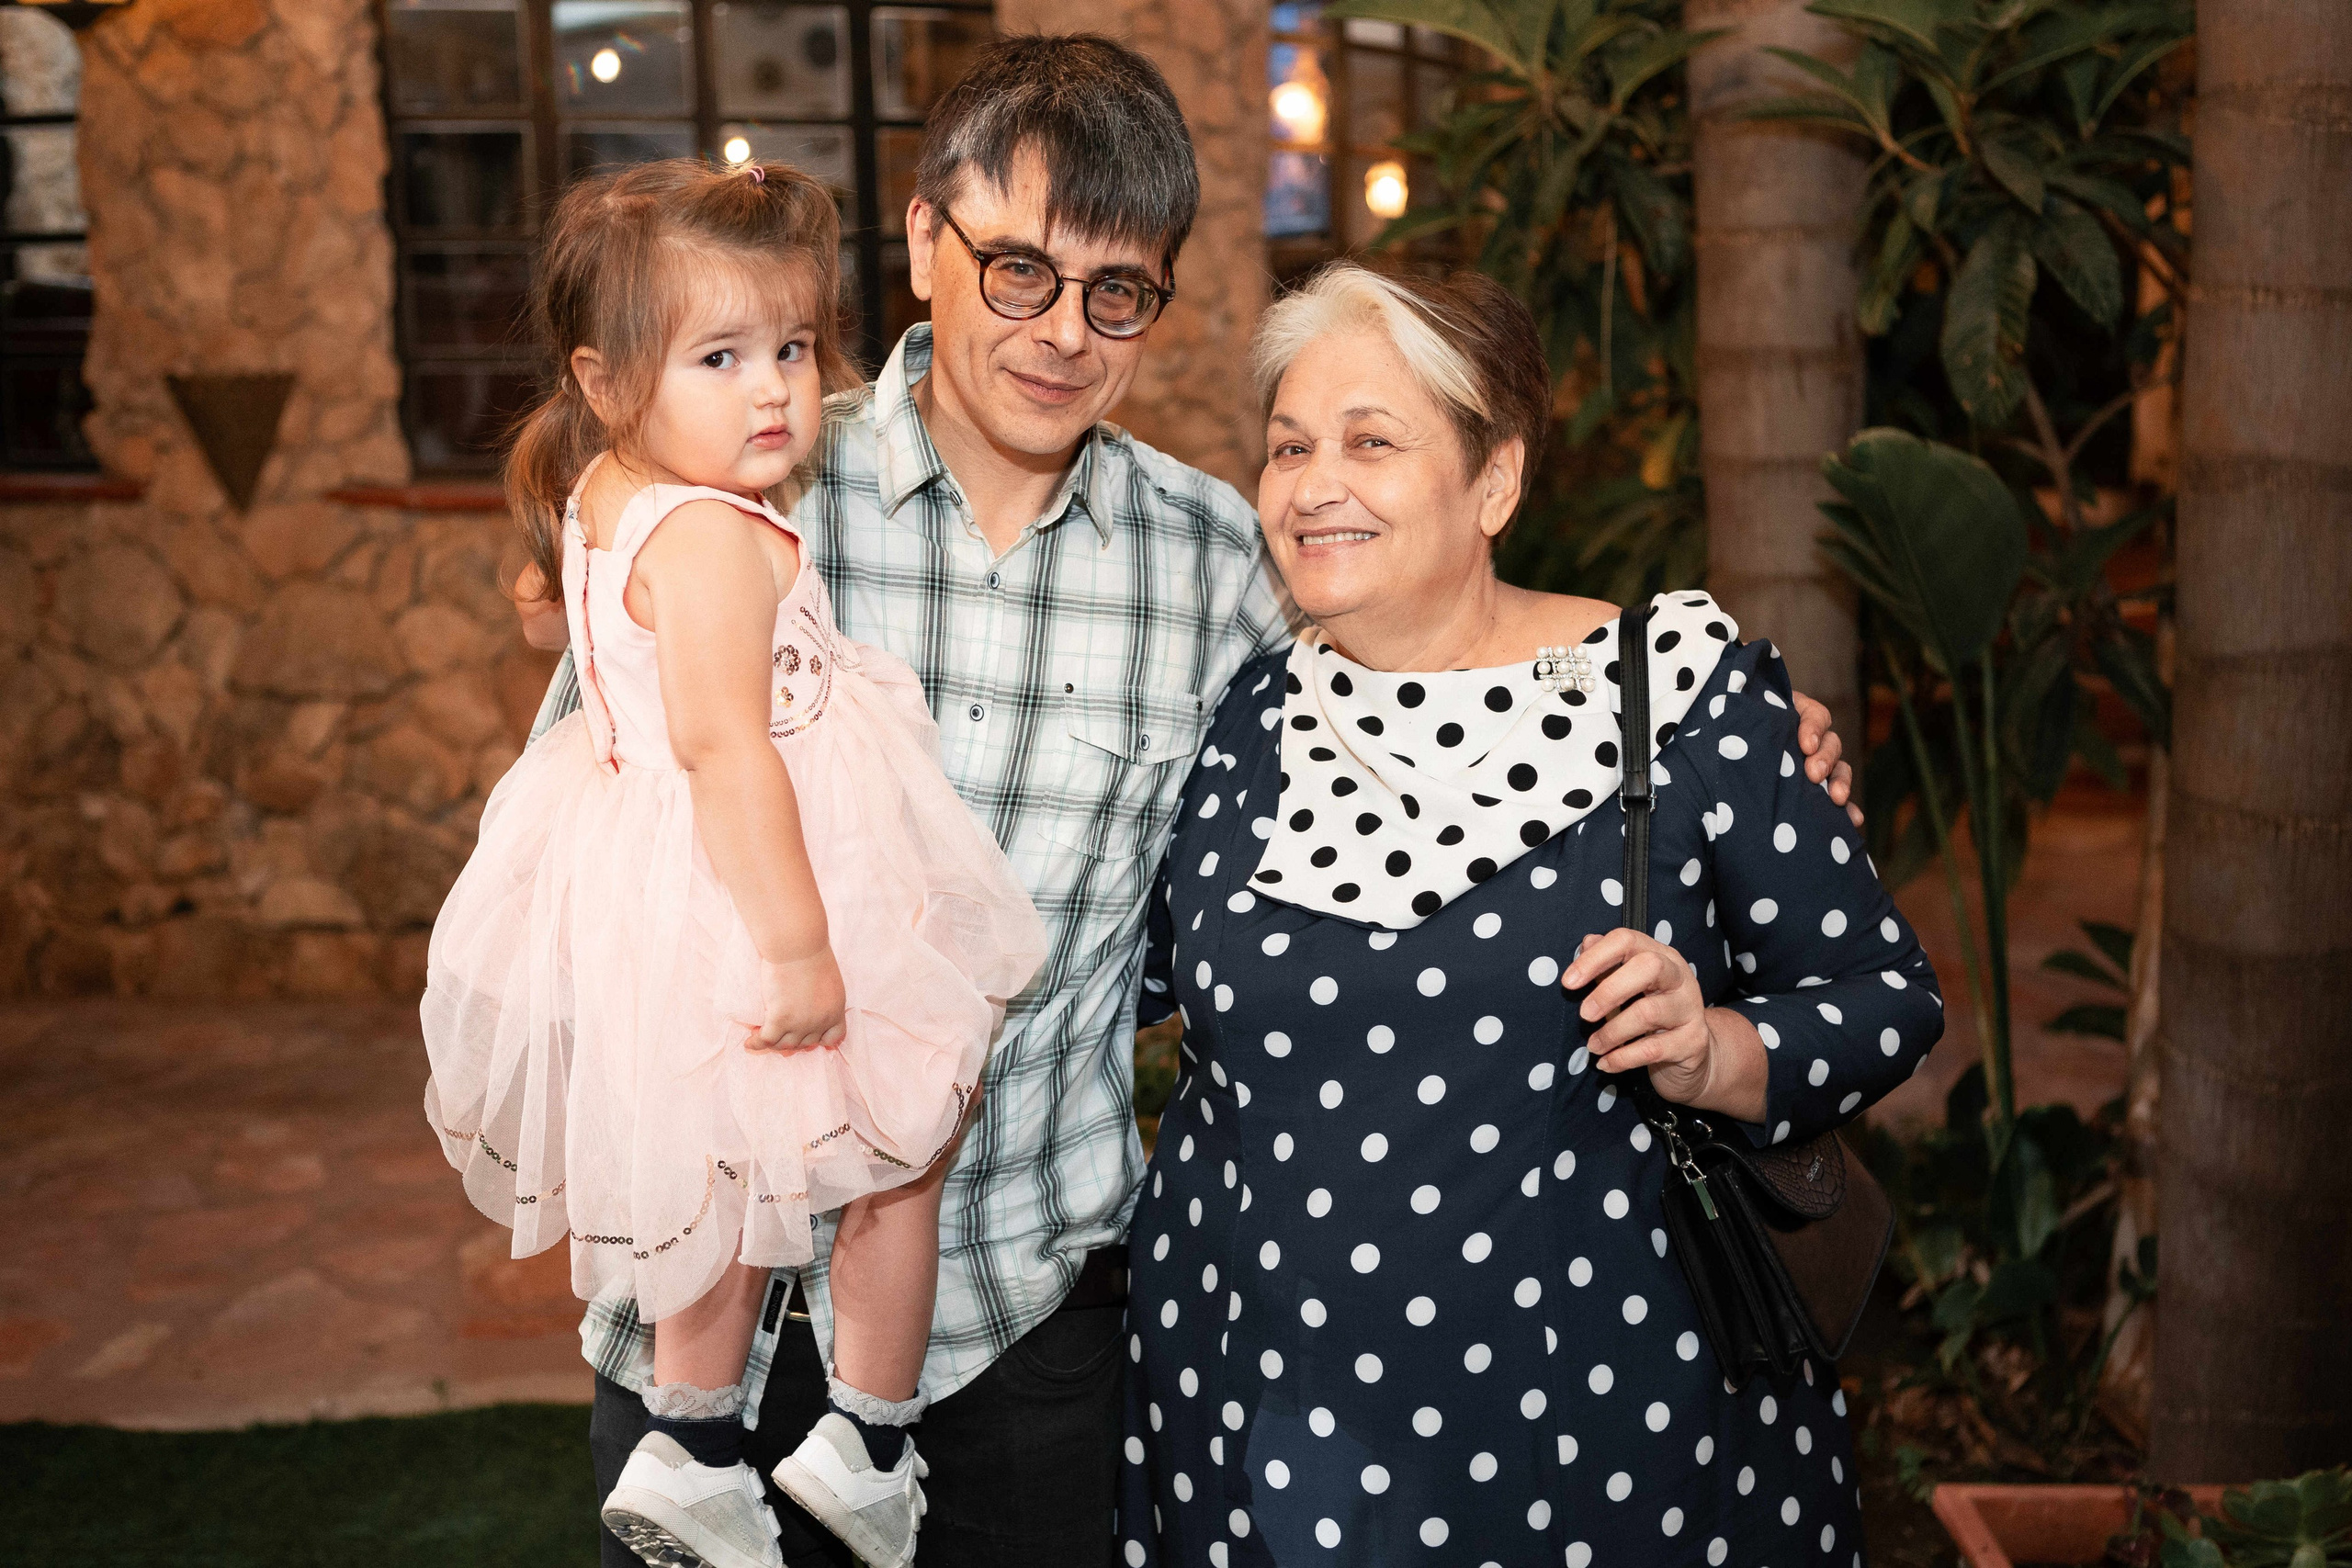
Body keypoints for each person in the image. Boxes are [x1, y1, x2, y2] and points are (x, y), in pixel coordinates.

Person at [519, 37, 1860, 1565]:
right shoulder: (745, 495)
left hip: (1024, 1327)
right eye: (1016, 269)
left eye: (1117, 290)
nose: (1062, 332)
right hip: (719, 1312)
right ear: (919, 243)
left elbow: (1439, 670)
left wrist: (1713, 729)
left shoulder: (1221, 564)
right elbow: (594, 833)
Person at [1116, 264, 1944, 1566]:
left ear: (1494, 481)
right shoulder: (1243, 717)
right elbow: (1133, 979)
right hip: (1252, 1405)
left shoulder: (1674, 696)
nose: (1312, 481)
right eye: (1289, 446)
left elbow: (1885, 998)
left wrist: (1716, 1047)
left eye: (1371, 441)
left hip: (1602, 1432)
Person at [423, 157, 1046, 1568]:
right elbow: (726, 749)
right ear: (603, 376)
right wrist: (801, 945)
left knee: (737, 1177)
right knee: (914, 1124)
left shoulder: (613, 493)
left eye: (790, 347)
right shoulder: (710, 537)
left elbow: (579, 639)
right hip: (755, 886)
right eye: (719, 357)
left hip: (653, 891)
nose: (775, 389)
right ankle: (870, 1439)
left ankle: (697, 1440)